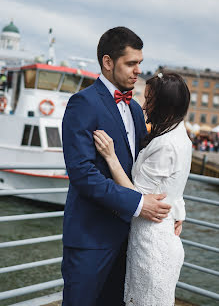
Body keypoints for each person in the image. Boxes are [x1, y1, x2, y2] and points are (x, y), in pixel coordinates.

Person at [61, 27, 171, 306]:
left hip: (129, 239)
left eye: (140, 64)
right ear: (108, 62)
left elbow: (142, 167)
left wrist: (175, 210)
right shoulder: (82, 103)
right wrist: (137, 204)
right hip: (90, 240)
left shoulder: (135, 108)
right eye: (131, 63)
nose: (138, 71)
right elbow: (82, 174)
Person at [94, 72, 192, 306]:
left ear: (165, 103)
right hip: (161, 235)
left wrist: (110, 156)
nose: (145, 106)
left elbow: (135, 196)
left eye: (150, 100)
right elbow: (174, 186)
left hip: (151, 244)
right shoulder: (180, 135)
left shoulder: (166, 144)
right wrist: (179, 212)